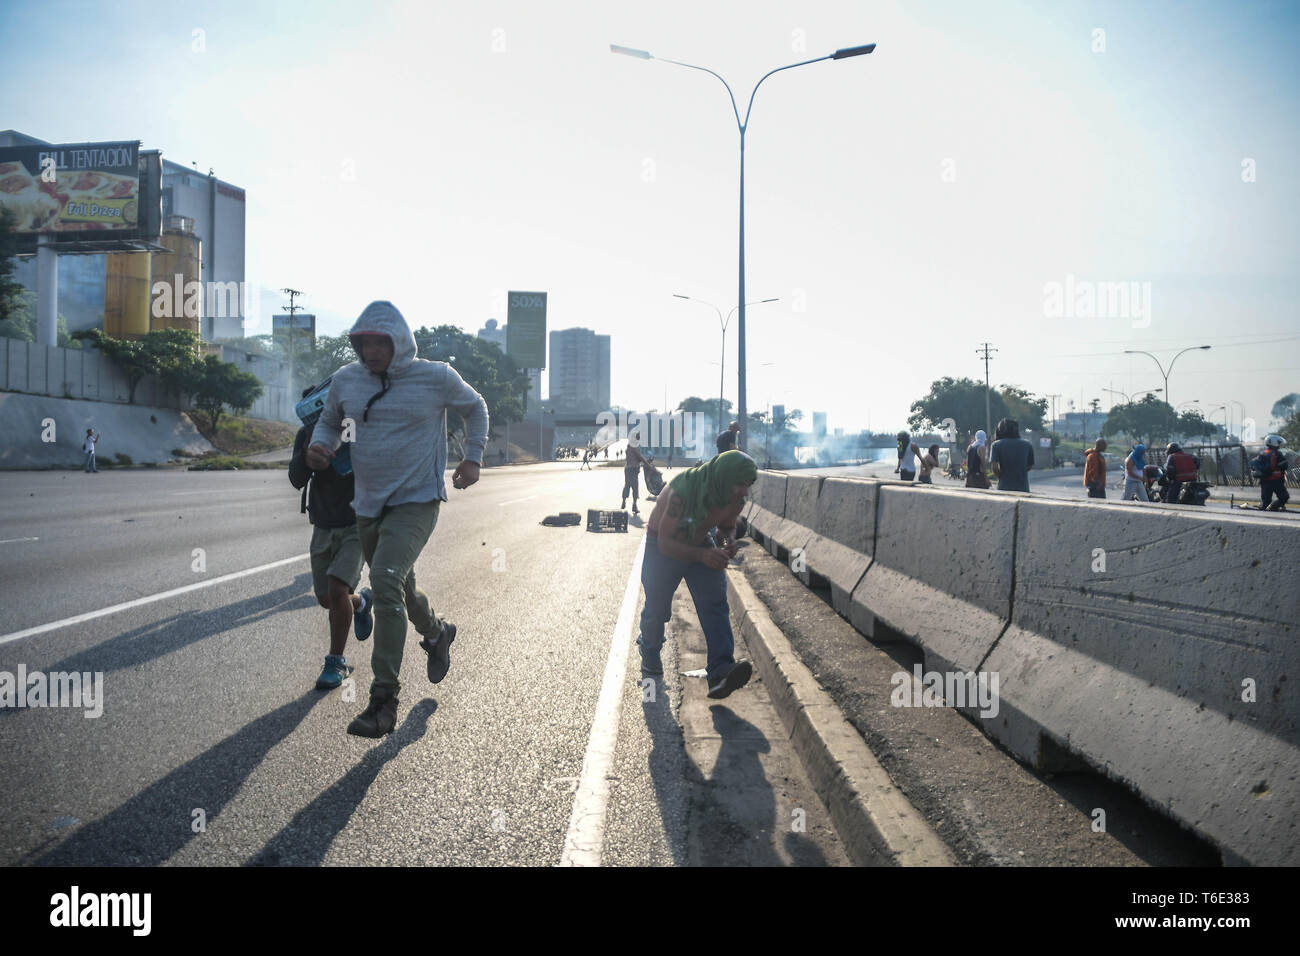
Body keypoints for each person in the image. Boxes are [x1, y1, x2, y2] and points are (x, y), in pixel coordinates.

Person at [306, 301, 489, 738]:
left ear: (399, 343)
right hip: (367, 505)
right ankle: (437, 632)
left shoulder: (435, 376)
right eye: (363, 343)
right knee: (399, 584)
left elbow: (476, 407)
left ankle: (383, 700)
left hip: (417, 499)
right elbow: (329, 421)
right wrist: (320, 445)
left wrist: (473, 458)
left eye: (379, 343)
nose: (370, 352)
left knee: (385, 580)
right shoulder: (347, 381)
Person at [638, 450, 758, 699]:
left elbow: (727, 524)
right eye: (739, 484)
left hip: (701, 540)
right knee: (657, 609)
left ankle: (721, 671)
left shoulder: (735, 498)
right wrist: (702, 556)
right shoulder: (681, 493)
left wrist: (729, 540)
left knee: (714, 604)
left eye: (747, 485)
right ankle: (649, 649)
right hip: (662, 547)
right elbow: (665, 543)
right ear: (723, 478)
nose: (744, 491)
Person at [289, 386, 374, 691]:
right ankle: (362, 602)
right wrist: (307, 452)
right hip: (322, 525)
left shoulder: (358, 429)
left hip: (356, 523)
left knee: (337, 590)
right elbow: (296, 479)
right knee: (328, 599)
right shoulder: (307, 434)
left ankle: (335, 662)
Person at [989, 418, 1034, 492]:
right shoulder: (1027, 444)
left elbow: (994, 468)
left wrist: (1002, 477)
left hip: (1004, 487)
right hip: (1023, 487)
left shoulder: (996, 445)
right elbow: (1029, 466)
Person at [1253, 435, 1290, 511]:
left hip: (1264, 481)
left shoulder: (1263, 453)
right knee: (1284, 497)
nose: (1279, 444)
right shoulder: (1277, 454)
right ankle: (1273, 507)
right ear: (1275, 443)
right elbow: (1285, 466)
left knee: (1266, 501)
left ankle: (1265, 506)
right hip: (1276, 481)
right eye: (1279, 443)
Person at [622, 437, 645, 513]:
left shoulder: (629, 446)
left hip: (628, 469)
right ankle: (634, 506)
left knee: (627, 485)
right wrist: (648, 464)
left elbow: (635, 457)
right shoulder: (634, 447)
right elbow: (640, 457)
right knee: (635, 487)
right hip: (633, 469)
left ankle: (623, 501)